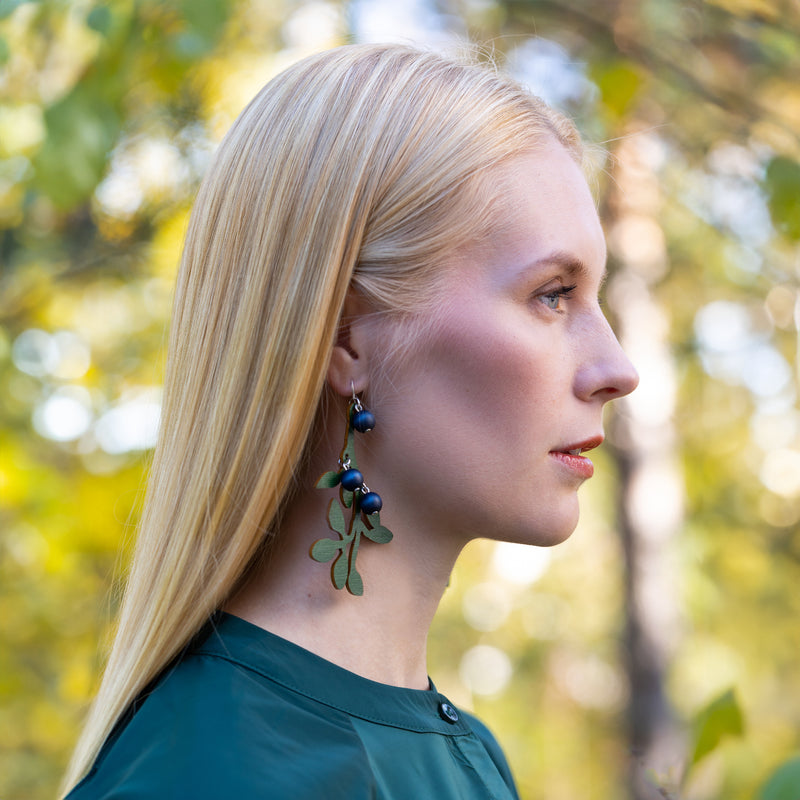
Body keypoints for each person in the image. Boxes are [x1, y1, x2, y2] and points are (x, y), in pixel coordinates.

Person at [61, 42, 638, 799]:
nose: (617, 369)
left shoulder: (469, 757)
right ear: (343, 336)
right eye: (553, 294)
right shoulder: (211, 771)